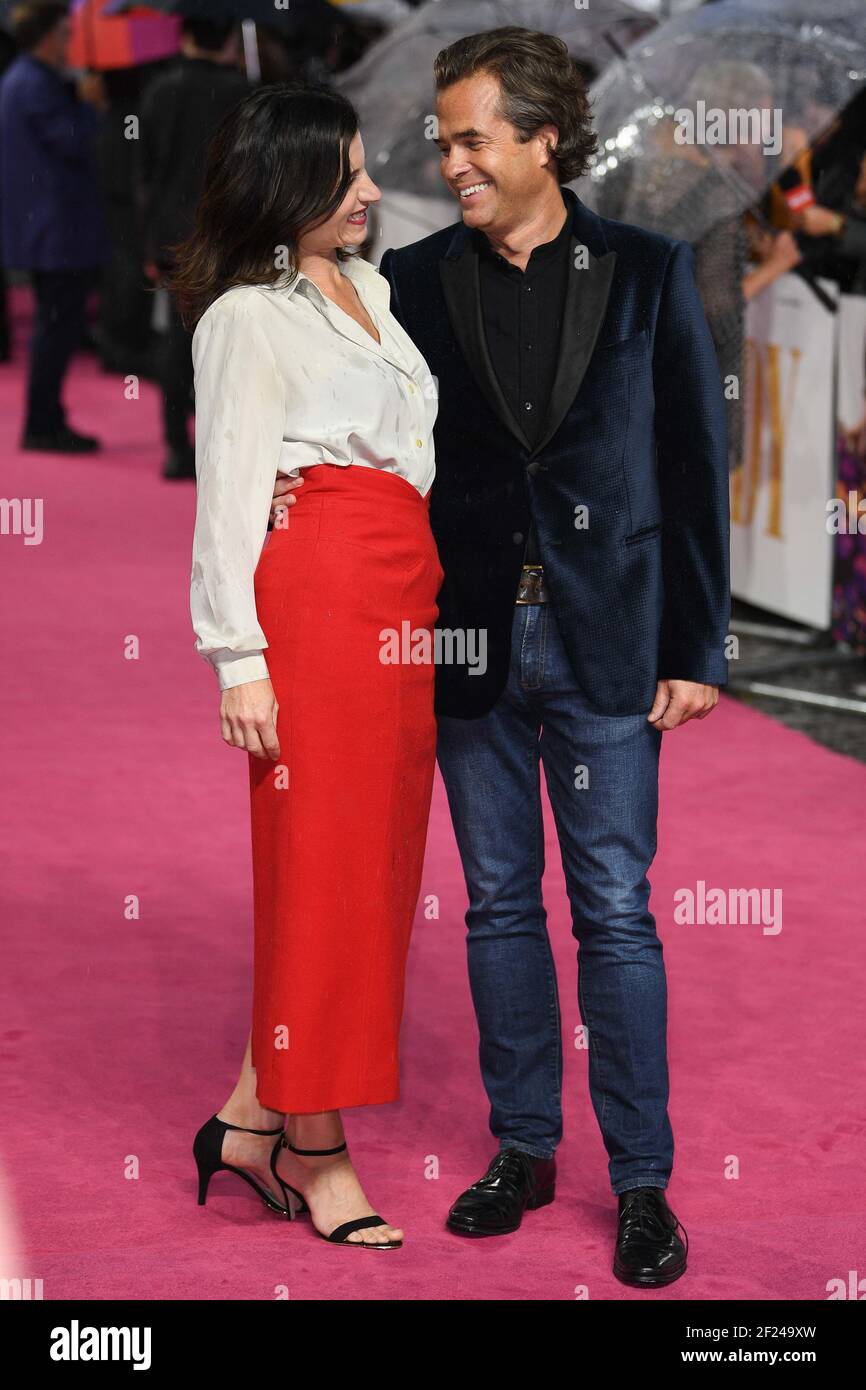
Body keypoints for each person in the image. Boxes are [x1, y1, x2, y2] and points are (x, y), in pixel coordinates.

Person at [273, 26, 732, 1287]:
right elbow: (346, 417)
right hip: (466, 642)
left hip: (608, 642)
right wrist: (283, 479)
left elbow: (696, 466)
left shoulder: (647, 270)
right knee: (492, 904)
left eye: (473, 138)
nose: (452, 159)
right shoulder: (408, 282)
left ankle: (640, 1181)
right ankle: (523, 1146)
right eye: (445, 139)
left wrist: (696, 642)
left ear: (540, 139)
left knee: (616, 915)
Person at [174, 84, 442, 1248]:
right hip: (317, 604)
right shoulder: (244, 317)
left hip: (401, 593)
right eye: (346, 174)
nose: (372, 192)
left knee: (369, 869)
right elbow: (230, 494)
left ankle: (244, 1118)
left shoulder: (375, 291)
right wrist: (240, 658)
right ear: (286, 184)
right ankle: (314, 1146)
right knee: (324, 872)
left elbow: (413, 454)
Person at [137, 18, 248, 480]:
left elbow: (145, 172)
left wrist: (147, 242)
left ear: (183, 36)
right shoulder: (242, 91)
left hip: (173, 236)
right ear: (227, 39)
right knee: (227, 344)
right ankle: (219, 448)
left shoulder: (160, 90)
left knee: (177, 343)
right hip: (225, 235)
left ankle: (177, 446)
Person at [0, 0, 111, 452]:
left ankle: (48, 416)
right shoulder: (37, 85)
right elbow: (74, 142)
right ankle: (43, 423)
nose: (70, 43)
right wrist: (92, 107)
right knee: (55, 330)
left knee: (56, 328)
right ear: (47, 36)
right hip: (56, 231)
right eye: (66, 35)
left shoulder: (22, 80)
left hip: (45, 228)